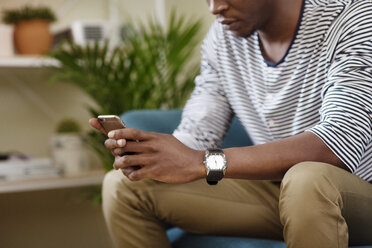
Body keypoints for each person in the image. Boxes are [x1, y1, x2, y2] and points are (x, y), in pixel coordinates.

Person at [89, 0, 372, 247]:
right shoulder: (223, 39)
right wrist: (153, 154)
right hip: (283, 193)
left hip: (354, 192)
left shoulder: (354, 19)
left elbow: (337, 144)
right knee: (123, 187)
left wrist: (203, 162)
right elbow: (198, 134)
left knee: (308, 179)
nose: (215, 7)